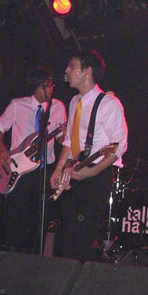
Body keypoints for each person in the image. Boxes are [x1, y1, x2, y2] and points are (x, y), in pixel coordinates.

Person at [50, 50, 128, 262]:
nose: (66, 70)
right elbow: (69, 141)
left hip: (96, 177)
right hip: (74, 174)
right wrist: (58, 169)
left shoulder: (109, 104)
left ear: (87, 71)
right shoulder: (74, 101)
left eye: (72, 66)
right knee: (69, 237)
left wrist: (91, 172)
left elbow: (119, 146)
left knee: (82, 238)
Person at [0, 67, 67, 253]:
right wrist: (1, 148)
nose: (50, 89)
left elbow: (61, 140)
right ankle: (13, 258)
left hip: (45, 169)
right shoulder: (17, 105)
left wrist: (65, 135)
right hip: (20, 171)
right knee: (17, 219)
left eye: (51, 85)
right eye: (46, 86)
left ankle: (34, 260)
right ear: (35, 87)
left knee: (40, 220)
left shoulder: (58, 107)